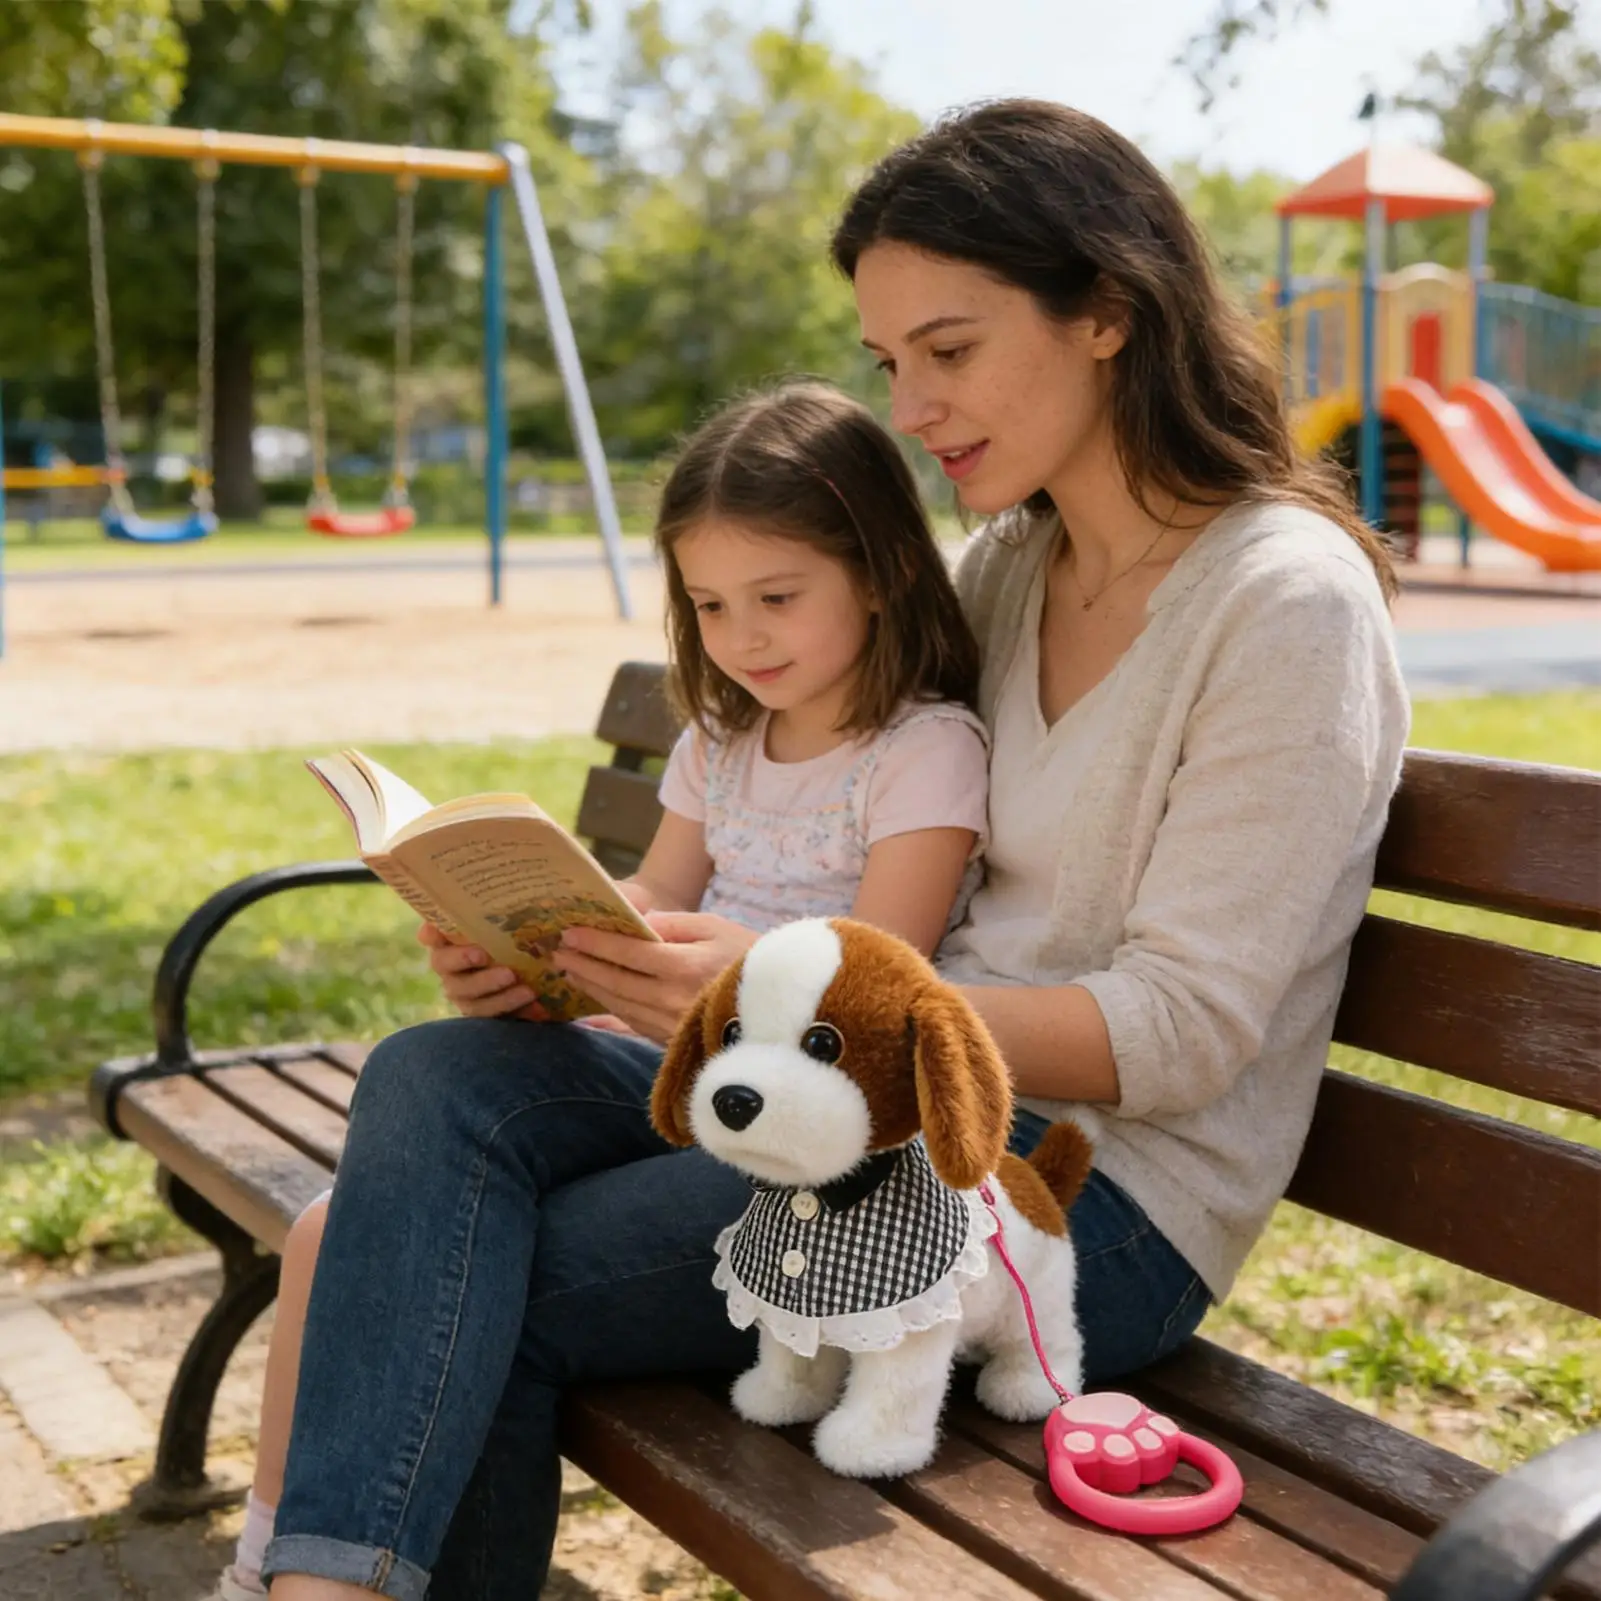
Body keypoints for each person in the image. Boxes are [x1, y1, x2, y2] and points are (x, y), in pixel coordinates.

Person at [263, 100, 1409, 1601]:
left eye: (949, 348)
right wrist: (569, 946)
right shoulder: (1012, 564)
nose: (914, 406)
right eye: (889, 364)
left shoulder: (1283, 608)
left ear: (1109, 313)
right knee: (439, 1075)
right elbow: (806, 745)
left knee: (471, 1278)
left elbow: (1184, 1035)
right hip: (862, 1116)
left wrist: (798, 1003)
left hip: (1075, 1204)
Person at [209, 377, 991, 1599]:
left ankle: (311, 1577)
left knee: (408, 1252)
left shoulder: (922, 749)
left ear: (881, 569)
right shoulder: (717, 742)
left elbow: (877, 998)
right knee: (375, 1151)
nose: (743, 635)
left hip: (800, 1133)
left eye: (778, 596)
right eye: (711, 603)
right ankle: (279, 1562)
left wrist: (719, 970)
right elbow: (637, 907)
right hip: (663, 1075)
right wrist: (522, 957)